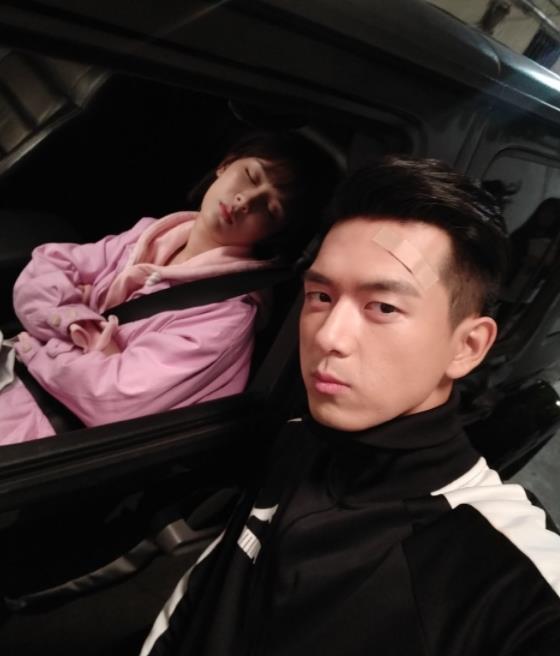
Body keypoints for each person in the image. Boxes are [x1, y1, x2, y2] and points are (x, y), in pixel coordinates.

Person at [140, 157, 560, 656]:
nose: (329, 337)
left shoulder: (504, 573)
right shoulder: (301, 437)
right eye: (320, 296)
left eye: (383, 307)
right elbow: (206, 590)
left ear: (466, 347)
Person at [0, 131, 338, 444]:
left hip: (46, 433)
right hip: (14, 371)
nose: (245, 200)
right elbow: (46, 266)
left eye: (270, 209)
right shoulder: (150, 234)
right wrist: (86, 334)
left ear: (273, 234)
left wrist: (52, 331)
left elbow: (111, 400)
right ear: (226, 164)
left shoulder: (226, 319)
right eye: (250, 175)